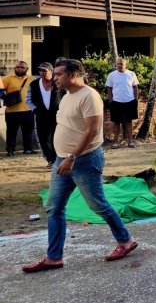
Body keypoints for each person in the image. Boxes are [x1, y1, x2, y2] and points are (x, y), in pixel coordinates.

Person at [22, 59, 138, 274]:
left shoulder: (89, 96)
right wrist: (63, 157)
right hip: (62, 160)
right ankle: (54, 257)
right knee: (54, 207)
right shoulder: (67, 96)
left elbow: (91, 131)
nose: (54, 78)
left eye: (59, 74)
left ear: (74, 74)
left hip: (82, 160)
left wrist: (72, 157)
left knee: (98, 205)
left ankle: (126, 240)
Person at [27, 62, 62, 166]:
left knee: (56, 137)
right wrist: (34, 109)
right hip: (41, 115)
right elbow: (28, 99)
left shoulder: (58, 83)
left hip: (56, 114)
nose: (42, 72)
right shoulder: (34, 84)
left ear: (51, 71)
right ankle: (49, 159)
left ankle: (55, 159)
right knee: (43, 138)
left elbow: (66, 96)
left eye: (44, 70)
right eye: (40, 70)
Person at [2, 60, 36, 156]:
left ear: (27, 69)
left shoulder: (31, 79)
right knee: (11, 132)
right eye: (18, 67)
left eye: (22, 67)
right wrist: (4, 97)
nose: (20, 69)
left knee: (28, 131)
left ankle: (28, 149)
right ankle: (10, 149)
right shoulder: (8, 78)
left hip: (28, 110)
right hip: (12, 111)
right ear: (15, 68)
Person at [105, 58, 139, 149]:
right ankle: (116, 142)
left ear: (125, 65)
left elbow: (135, 87)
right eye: (118, 64)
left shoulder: (131, 74)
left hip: (130, 101)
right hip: (116, 102)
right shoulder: (111, 75)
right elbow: (109, 89)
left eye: (121, 64)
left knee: (129, 122)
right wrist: (111, 100)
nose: (120, 66)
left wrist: (136, 99)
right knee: (116, 122)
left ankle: (130, 142)